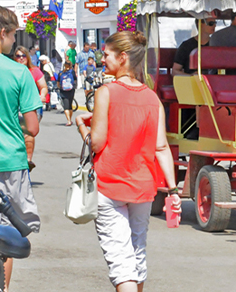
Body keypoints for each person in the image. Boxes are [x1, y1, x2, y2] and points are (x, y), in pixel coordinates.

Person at [74, 30, 181, 292]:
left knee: (121, 263)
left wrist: (81, 127)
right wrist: (173, 189)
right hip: (143, 188)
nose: (103, 60)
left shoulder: (106, 92)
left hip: (110, 185)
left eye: (106, 54)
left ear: (123, 57)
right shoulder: (152, 98)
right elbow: (161, 147)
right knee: (137, 254)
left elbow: (97, 142)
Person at [0, 6, 42, 292]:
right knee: (5, 234)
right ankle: (0, 289)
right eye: (13, 34)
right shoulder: (18, 72)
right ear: (3, 32)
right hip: (7, 160)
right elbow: (32, 126)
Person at [14, 46, 49, 172]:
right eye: (18, 56)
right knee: (18, 134)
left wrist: (42, 95)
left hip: (32, 106)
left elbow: (43, 86)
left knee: (28, 131)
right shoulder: (13, 70)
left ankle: (28, 160)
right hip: (16, 106)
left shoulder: (34, 71)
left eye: (23, 55)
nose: (21, 58)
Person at [58, 61, 77, 126]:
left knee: (66, 107)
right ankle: (70, 119)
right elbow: (75, 80)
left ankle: (68, 120)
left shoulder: (61, 73)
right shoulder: (72, 72)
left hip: (63, 91)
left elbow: (58, 82)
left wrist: (60, 88)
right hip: (71, 90)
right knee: (70, 106)